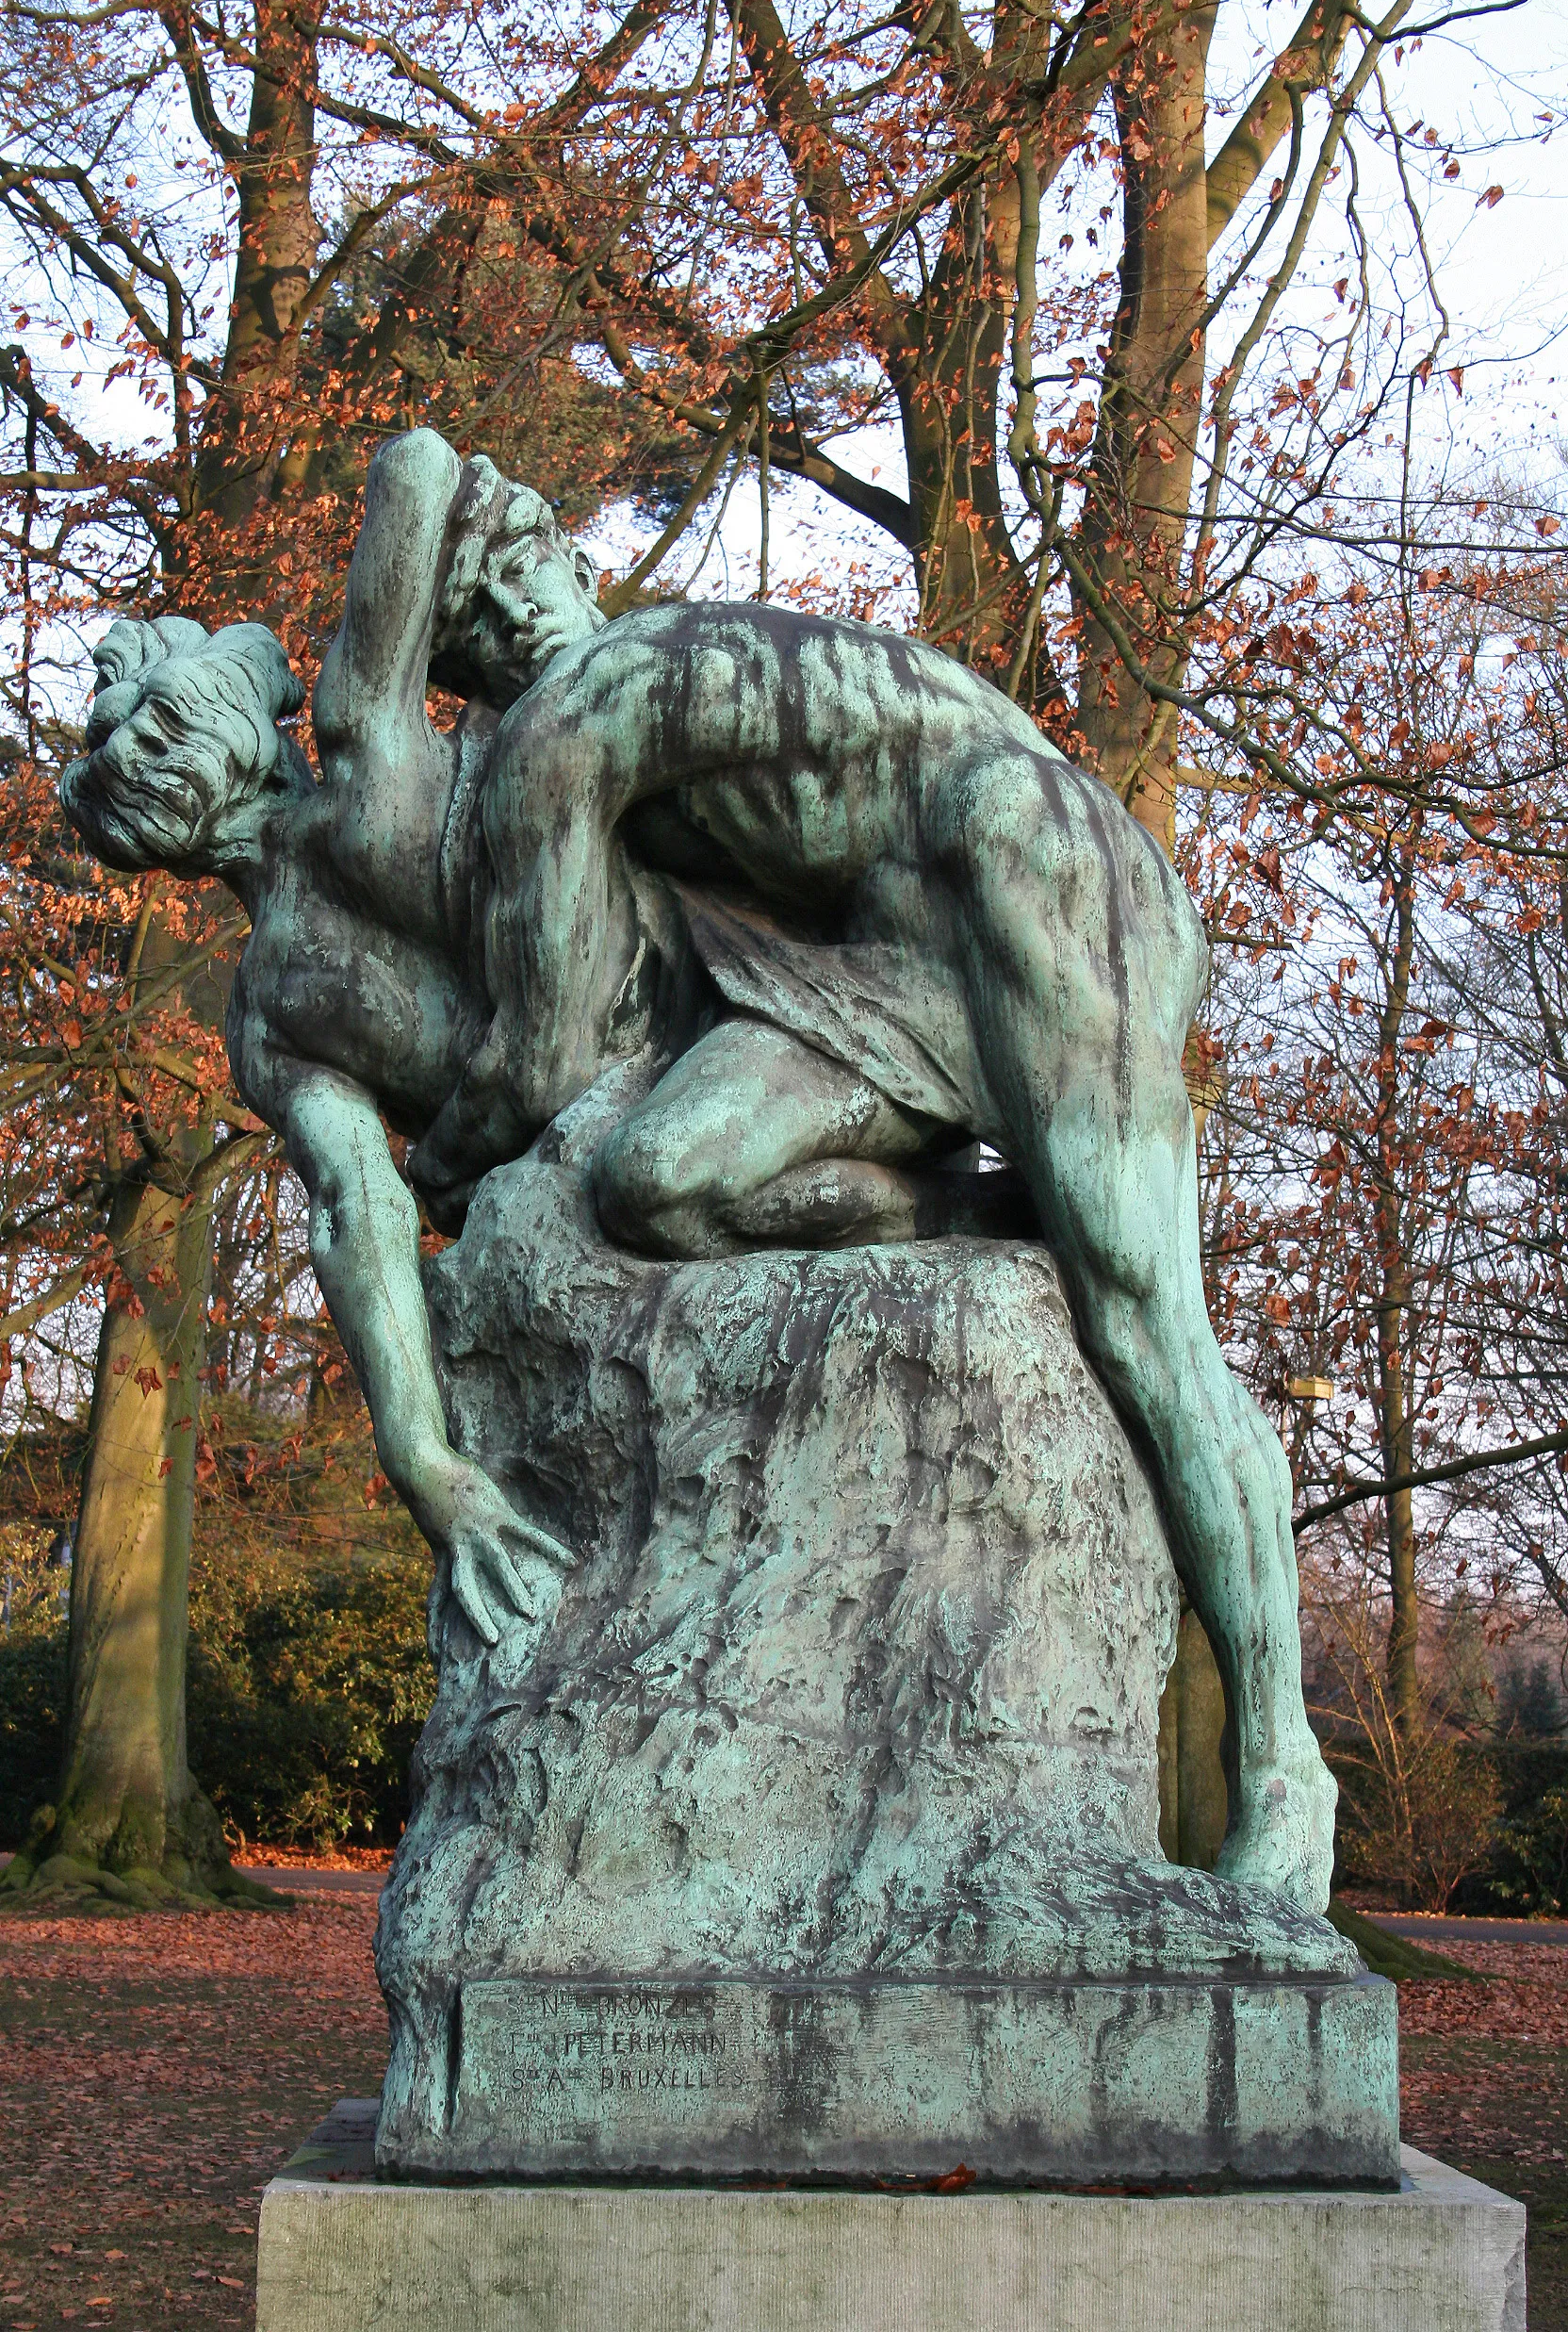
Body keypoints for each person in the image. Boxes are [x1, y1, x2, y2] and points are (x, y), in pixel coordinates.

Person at [60, 426, 1337, 1913]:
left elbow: (418, 469)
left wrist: (478, 1150)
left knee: (1141, 1318)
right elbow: (365, 1200)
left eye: (521, 581)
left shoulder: (538, 720)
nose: (514, 628)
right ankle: (950, 1209)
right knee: (661, 1173)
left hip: (1027, 873)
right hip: (845, 989)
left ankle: (1283, 1766)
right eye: (481, 621)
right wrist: (434, 1469)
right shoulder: (306, 973)